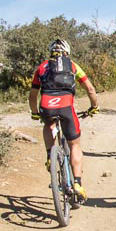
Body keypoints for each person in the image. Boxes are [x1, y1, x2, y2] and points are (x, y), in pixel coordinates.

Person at [29, 38, 100, 202]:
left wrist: (34, 113)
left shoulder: (41, 67)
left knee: (48, 123)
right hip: (66, 106)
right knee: (74, 144)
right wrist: (94, 106)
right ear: (67, 52)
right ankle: (77, 183)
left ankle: (49, 155)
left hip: (47, 105)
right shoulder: (73, 66)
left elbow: (33, 94)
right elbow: (90, 88)